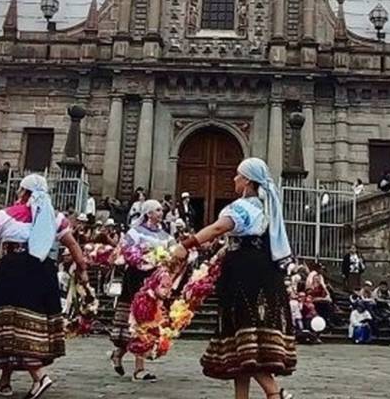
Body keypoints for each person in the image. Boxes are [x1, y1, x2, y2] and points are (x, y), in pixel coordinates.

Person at [170, 157, 296, 399]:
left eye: (238, 175)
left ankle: (275, 394)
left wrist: (186, 245)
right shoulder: (267, 207)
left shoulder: (241, 207)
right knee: (246, 339)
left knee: (243, 335)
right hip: (265, 273)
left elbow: (218, 228)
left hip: (244, 276)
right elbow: (238, 241)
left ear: (248, 180)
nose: (234, 178)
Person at [0, 174, 89, 399]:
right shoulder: (55, 218)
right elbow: (73, 246)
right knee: (28, 323)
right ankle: (4, 382)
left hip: (12, 271)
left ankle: (40, 376)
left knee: (10, 323)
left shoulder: (4, 216)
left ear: (23, 192)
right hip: (43, 271)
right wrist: (82, 271)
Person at [109, 200, 173, 382]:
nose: (161, 213)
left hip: (155, 280)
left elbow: (174, 251)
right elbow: (126, 250)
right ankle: (139, 369)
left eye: (161, 210)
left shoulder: (164, 235)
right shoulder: (135, 232)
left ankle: (118, 354)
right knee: (138, 317)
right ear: (148, 213)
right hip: (137, 278)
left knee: (148, 320)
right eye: (157, 210)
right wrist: (142, 258)